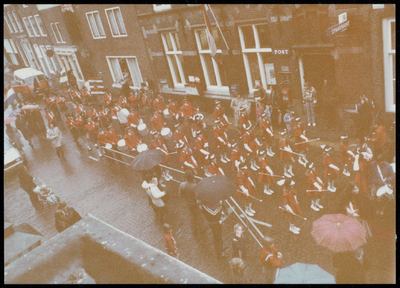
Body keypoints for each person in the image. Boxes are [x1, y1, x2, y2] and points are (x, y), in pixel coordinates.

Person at [178, 170, 204, 237]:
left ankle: (194, 230)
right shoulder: (195, 186)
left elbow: (180, 195)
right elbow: (199, 196)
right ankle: (201, 229)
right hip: (195, 203)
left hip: (189, 204)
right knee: (198, 215)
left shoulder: (182, 185)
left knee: (193, 216)